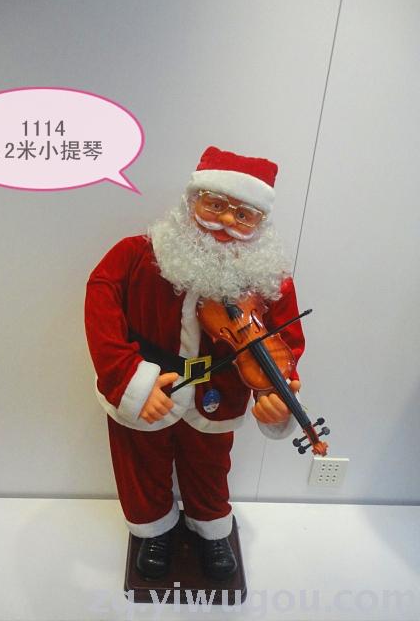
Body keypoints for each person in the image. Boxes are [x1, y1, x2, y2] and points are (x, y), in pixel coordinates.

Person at [84, 146, 305, 581]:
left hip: (219, 393)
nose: (226, 222)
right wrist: (128, 377)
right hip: (152, 386)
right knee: (141, 462)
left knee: (209, 465)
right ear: (192, 201)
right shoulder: (136, 253)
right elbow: (101, 303)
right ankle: (153, 530)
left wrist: (275, 392)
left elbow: (286, 341)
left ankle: (211, 528)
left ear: (260, 223)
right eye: (215, 205)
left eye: (243, 215)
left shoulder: (268, 278)